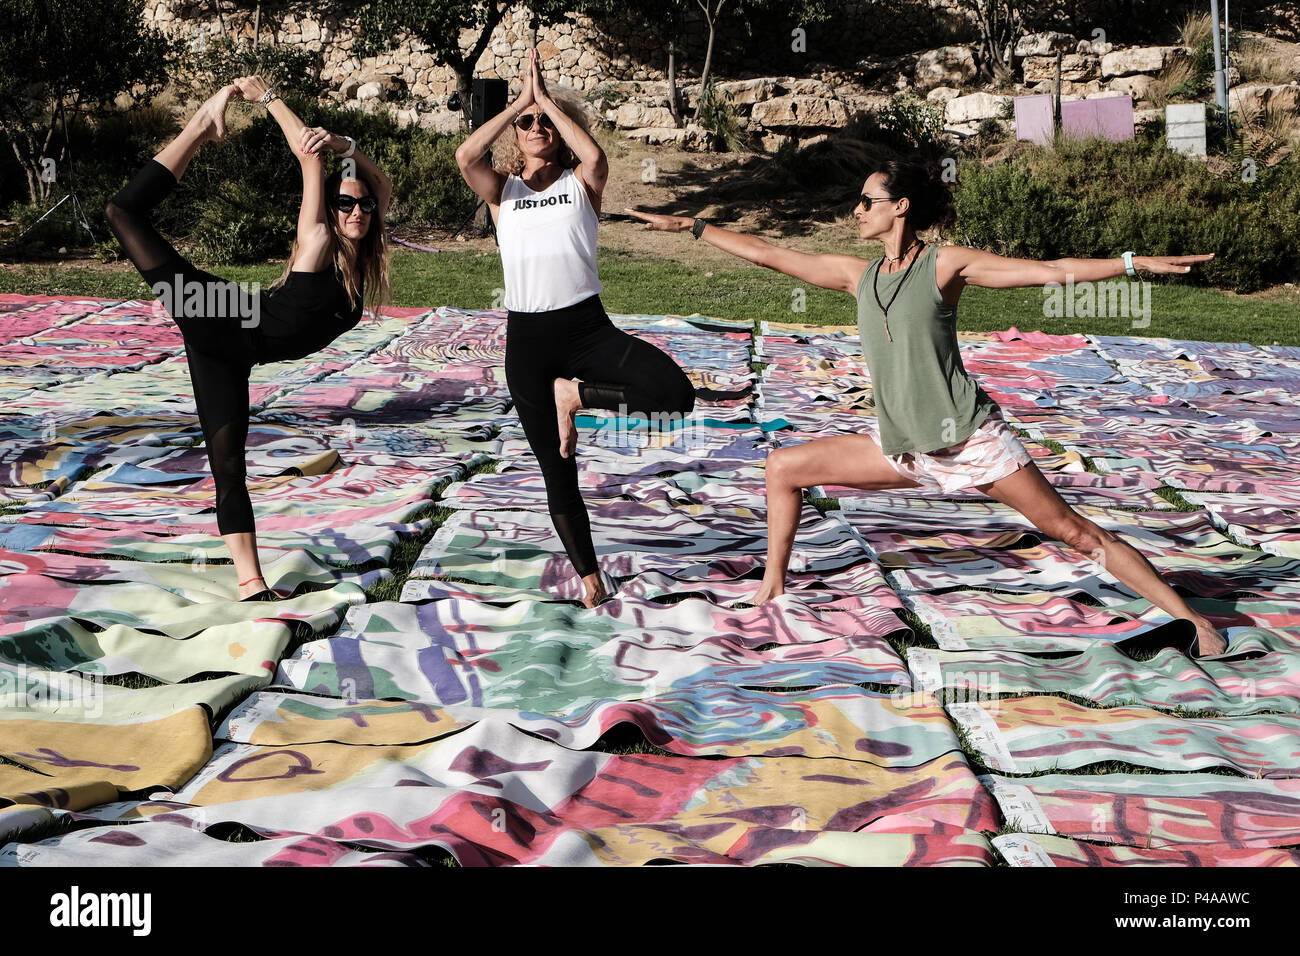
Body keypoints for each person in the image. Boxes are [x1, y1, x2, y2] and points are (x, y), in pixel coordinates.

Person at [628, 157, 1229, 656]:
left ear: (900, 206)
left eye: (867, 201)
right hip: (907, 448)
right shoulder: (857, 275)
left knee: (1072, 531)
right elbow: (767, 254)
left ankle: (1196, 622)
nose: (856, 211)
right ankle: (771, 587)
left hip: (971, 440)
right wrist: (693, 228)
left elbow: (1049, 272)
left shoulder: (944, 264)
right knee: (783, 467)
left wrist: (1132, 264)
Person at [105, 76, 391, 601]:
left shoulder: (362, 254)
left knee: (228, 462)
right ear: (330, 209)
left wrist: (347, 147)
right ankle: (199, 126)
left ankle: (251, 583)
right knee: (122, 213)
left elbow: (379, 181)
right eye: (346, 204)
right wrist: (266, 99)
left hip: (235, 350)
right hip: (216, 313)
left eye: (365, 206)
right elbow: (309, 159)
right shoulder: (320, 237)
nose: (358, 211)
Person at [456, 48, 696, 608]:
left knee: (675, 395)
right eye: (527, 124)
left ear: (560, 134)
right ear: (515, 135)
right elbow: (467, 153)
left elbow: (593, 151)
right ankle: (589, 575)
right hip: (528, 342)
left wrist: (547, 103)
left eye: (545, 121)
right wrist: (520, 100)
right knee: (556, 467)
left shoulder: (581, 182)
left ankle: (576, 395)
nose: (536, 126)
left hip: (587, 330)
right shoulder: (503, 196)